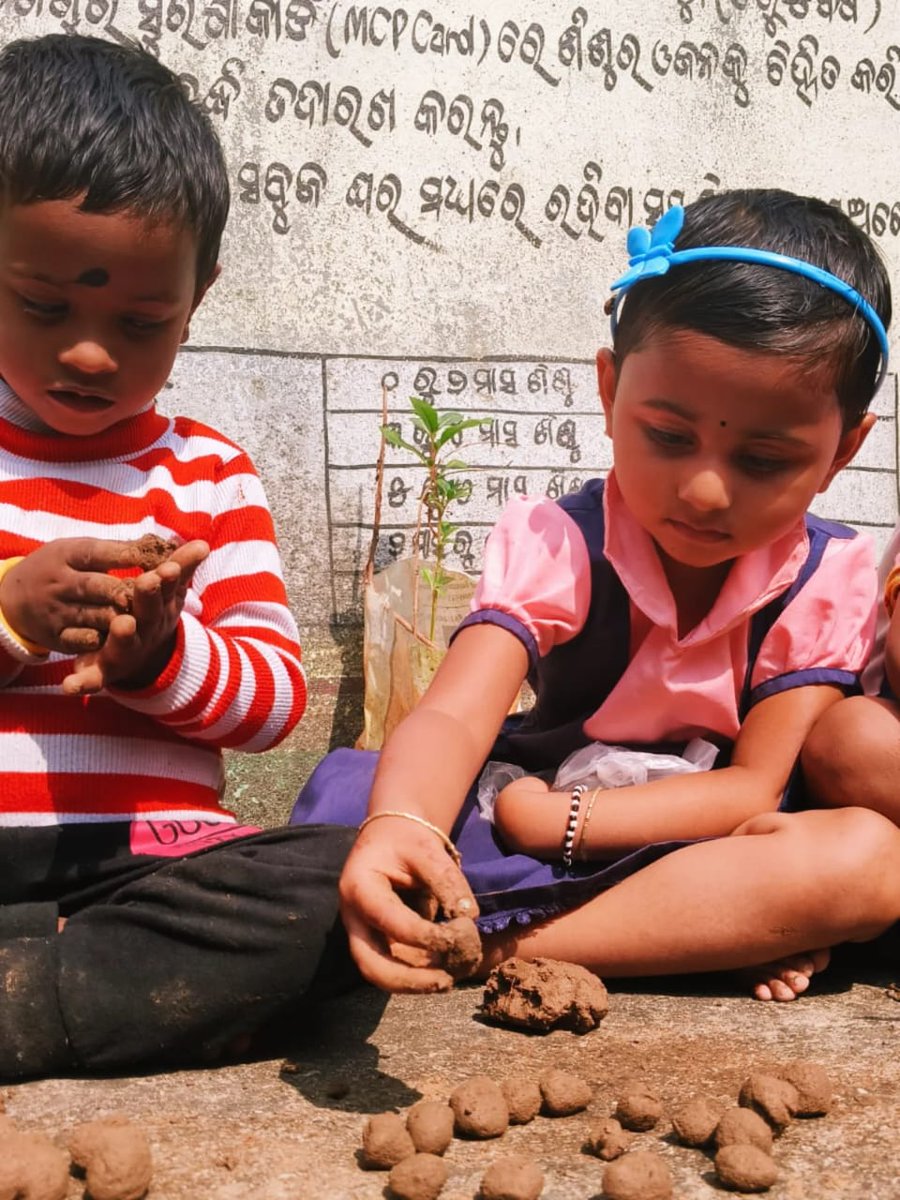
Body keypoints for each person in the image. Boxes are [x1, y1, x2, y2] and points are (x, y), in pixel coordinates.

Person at [293, 189, 900, 1004]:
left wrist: (560, 823)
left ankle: (497, 941)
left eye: (765, 459)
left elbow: (753, 790)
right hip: (527, 814)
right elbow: (453, 715)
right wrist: (405, 825)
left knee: (864, 862)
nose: (708, 490)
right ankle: (691, 940)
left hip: (694, 840)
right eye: (669, 437)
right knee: (371, 810)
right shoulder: (563, 541)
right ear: (610, 391)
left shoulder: (828, 579)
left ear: (844, 450)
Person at [0, 33, 355, 1080]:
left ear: (197, 299)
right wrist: (14, 618)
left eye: (142, 319)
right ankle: (107, 1007)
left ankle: (36, 996)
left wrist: (165, 657)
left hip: (143, 871)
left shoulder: (209, 475)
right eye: (44, 305)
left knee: (343, 879)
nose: (91, 352)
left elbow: (273, 703)